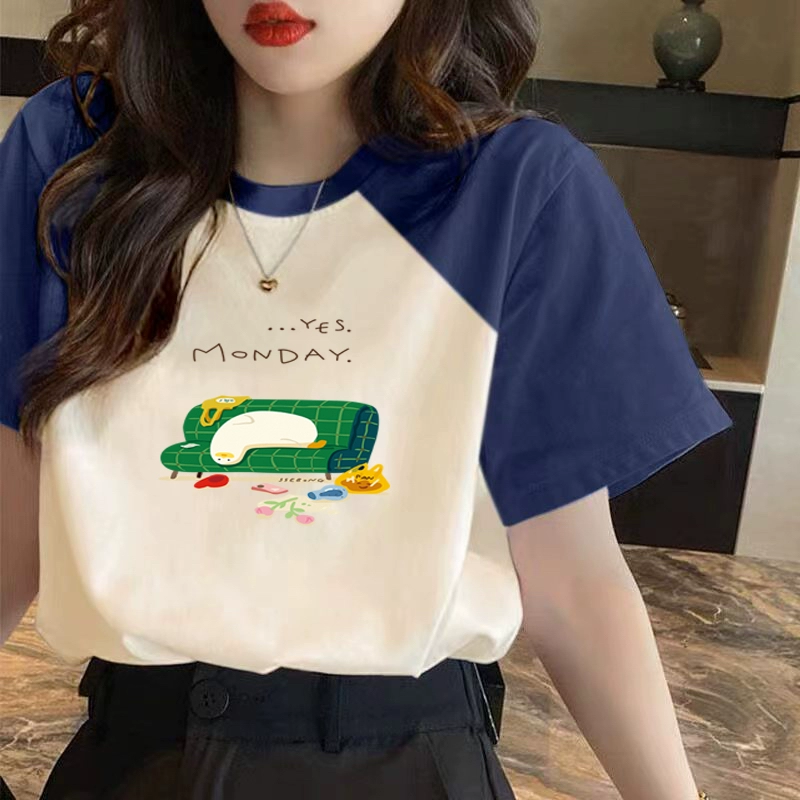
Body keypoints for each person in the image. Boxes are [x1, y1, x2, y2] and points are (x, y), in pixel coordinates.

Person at [0, 0, 731, 798]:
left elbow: (573, 581)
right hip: (132, 759)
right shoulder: (77, 154)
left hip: (408, 761)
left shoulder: (516, 186)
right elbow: (12, 519)